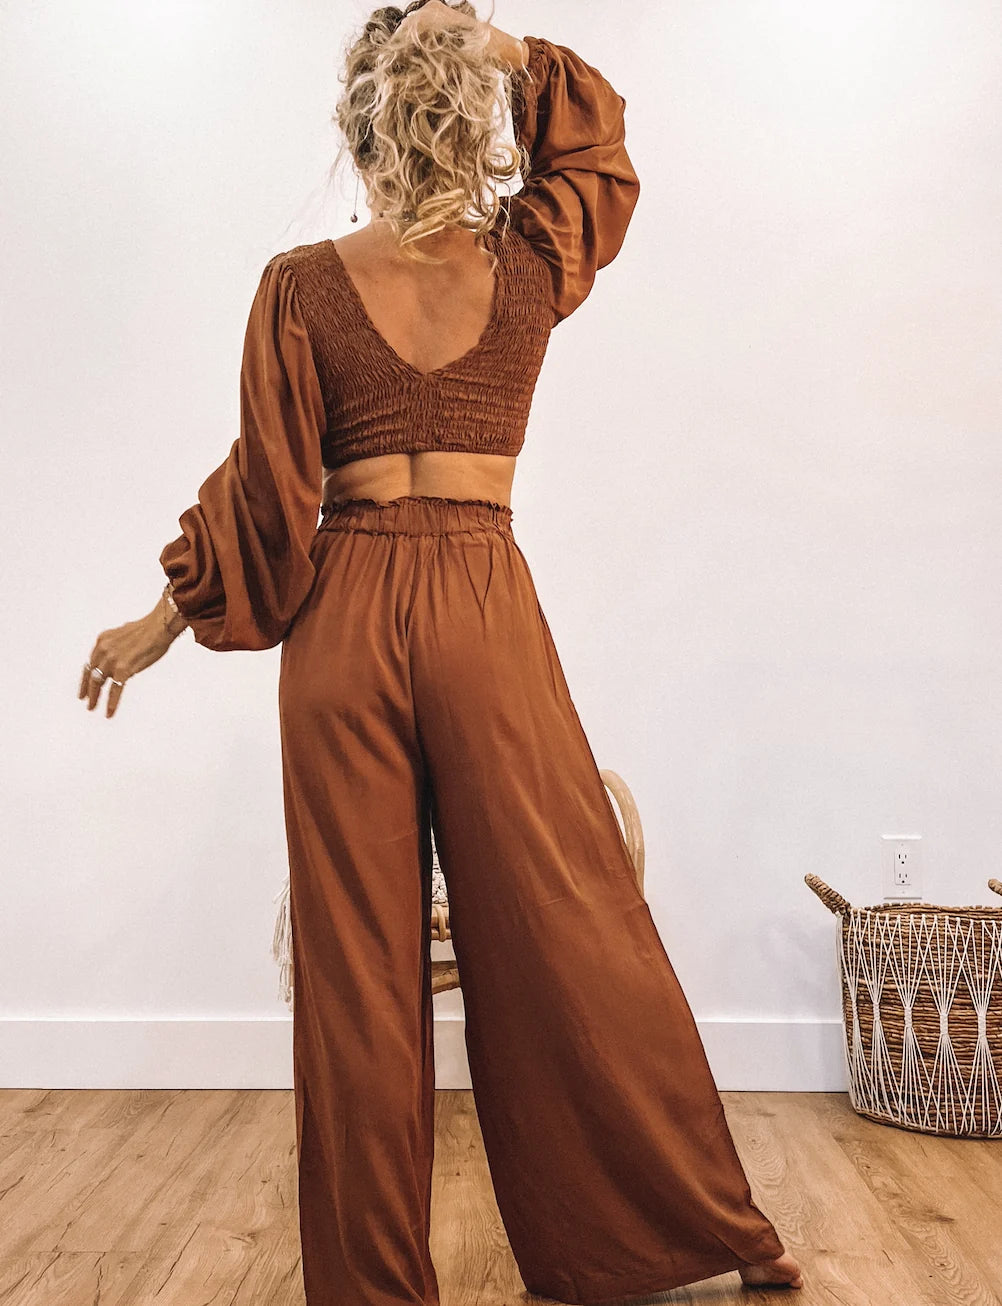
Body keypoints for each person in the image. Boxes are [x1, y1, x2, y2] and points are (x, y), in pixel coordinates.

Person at [79, 2, 805, 1301]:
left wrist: (164, 616)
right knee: (572, 923)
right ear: (470, 127)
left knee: (359, 977)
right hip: (481, 606)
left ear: (361, 136)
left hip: (345, 618)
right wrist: (494, 47)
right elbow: (598, 151)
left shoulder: (300, 286)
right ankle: (716, 1231)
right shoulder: (529, 262)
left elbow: (267, 491)